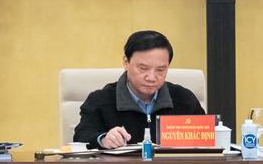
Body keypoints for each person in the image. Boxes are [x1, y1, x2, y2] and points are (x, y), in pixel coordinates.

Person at [73, 30, 206, 149]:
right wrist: (103, 139)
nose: (151, 77)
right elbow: (81, 137)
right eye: (143, 68)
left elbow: (208, 138)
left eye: (160, 70)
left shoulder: (184, 100)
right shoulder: (100, 100)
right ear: (126, 62)